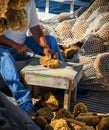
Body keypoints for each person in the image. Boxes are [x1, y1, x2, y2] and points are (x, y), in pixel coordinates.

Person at [0, 0, 64, 116]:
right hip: (2, 49)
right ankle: (24, 101)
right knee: (5, 58)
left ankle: (62, 84)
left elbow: (35, 29)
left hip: (22, 45)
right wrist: (15, 45)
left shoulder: (29, 2)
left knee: (51, 41)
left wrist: (45, 48)